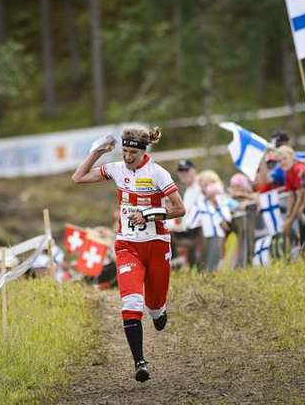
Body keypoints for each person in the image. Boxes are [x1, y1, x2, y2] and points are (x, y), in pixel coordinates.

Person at [71, 126, 185, 382]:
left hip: (156, 244)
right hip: (127, 246)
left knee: (154, 305)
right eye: (124, 151)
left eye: (133, 152)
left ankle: (158, 311)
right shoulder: (116, 169)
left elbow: (180, 209)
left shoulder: (158, 173)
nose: (127, 157)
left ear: (143, 151)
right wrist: (98, 152)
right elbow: (78, 177)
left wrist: (148, 215)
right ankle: (140, 362)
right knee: (131, 302)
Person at [191, 171, 233, 272]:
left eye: (212, 183)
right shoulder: (199, 203)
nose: (209, 187)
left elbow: (227, 218)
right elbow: (191, 222)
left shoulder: (222, 201)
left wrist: (216, 204)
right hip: (205, 236)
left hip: (219, 235)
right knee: (204, 262)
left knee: (216, 262)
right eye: (205, 185)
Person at [169, 159, 203, 269]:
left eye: (186, 170)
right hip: (189, 230)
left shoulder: (201, 186)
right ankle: (176, 262)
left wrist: (180, 226)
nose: (183, 173)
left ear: (194, 170)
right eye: (181, 171)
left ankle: (176, 262)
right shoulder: (189, 190)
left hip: (198, 231)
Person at [277, 146, 305, 248]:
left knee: (302, 225)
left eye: (285, 158)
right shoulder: (288, 172)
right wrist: (288, 215)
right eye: (280, 161)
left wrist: (290, 220)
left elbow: (300, 198)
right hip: (301, 201)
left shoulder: (298, 169)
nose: (282, 162)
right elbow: (291, 195)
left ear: (292, 157)